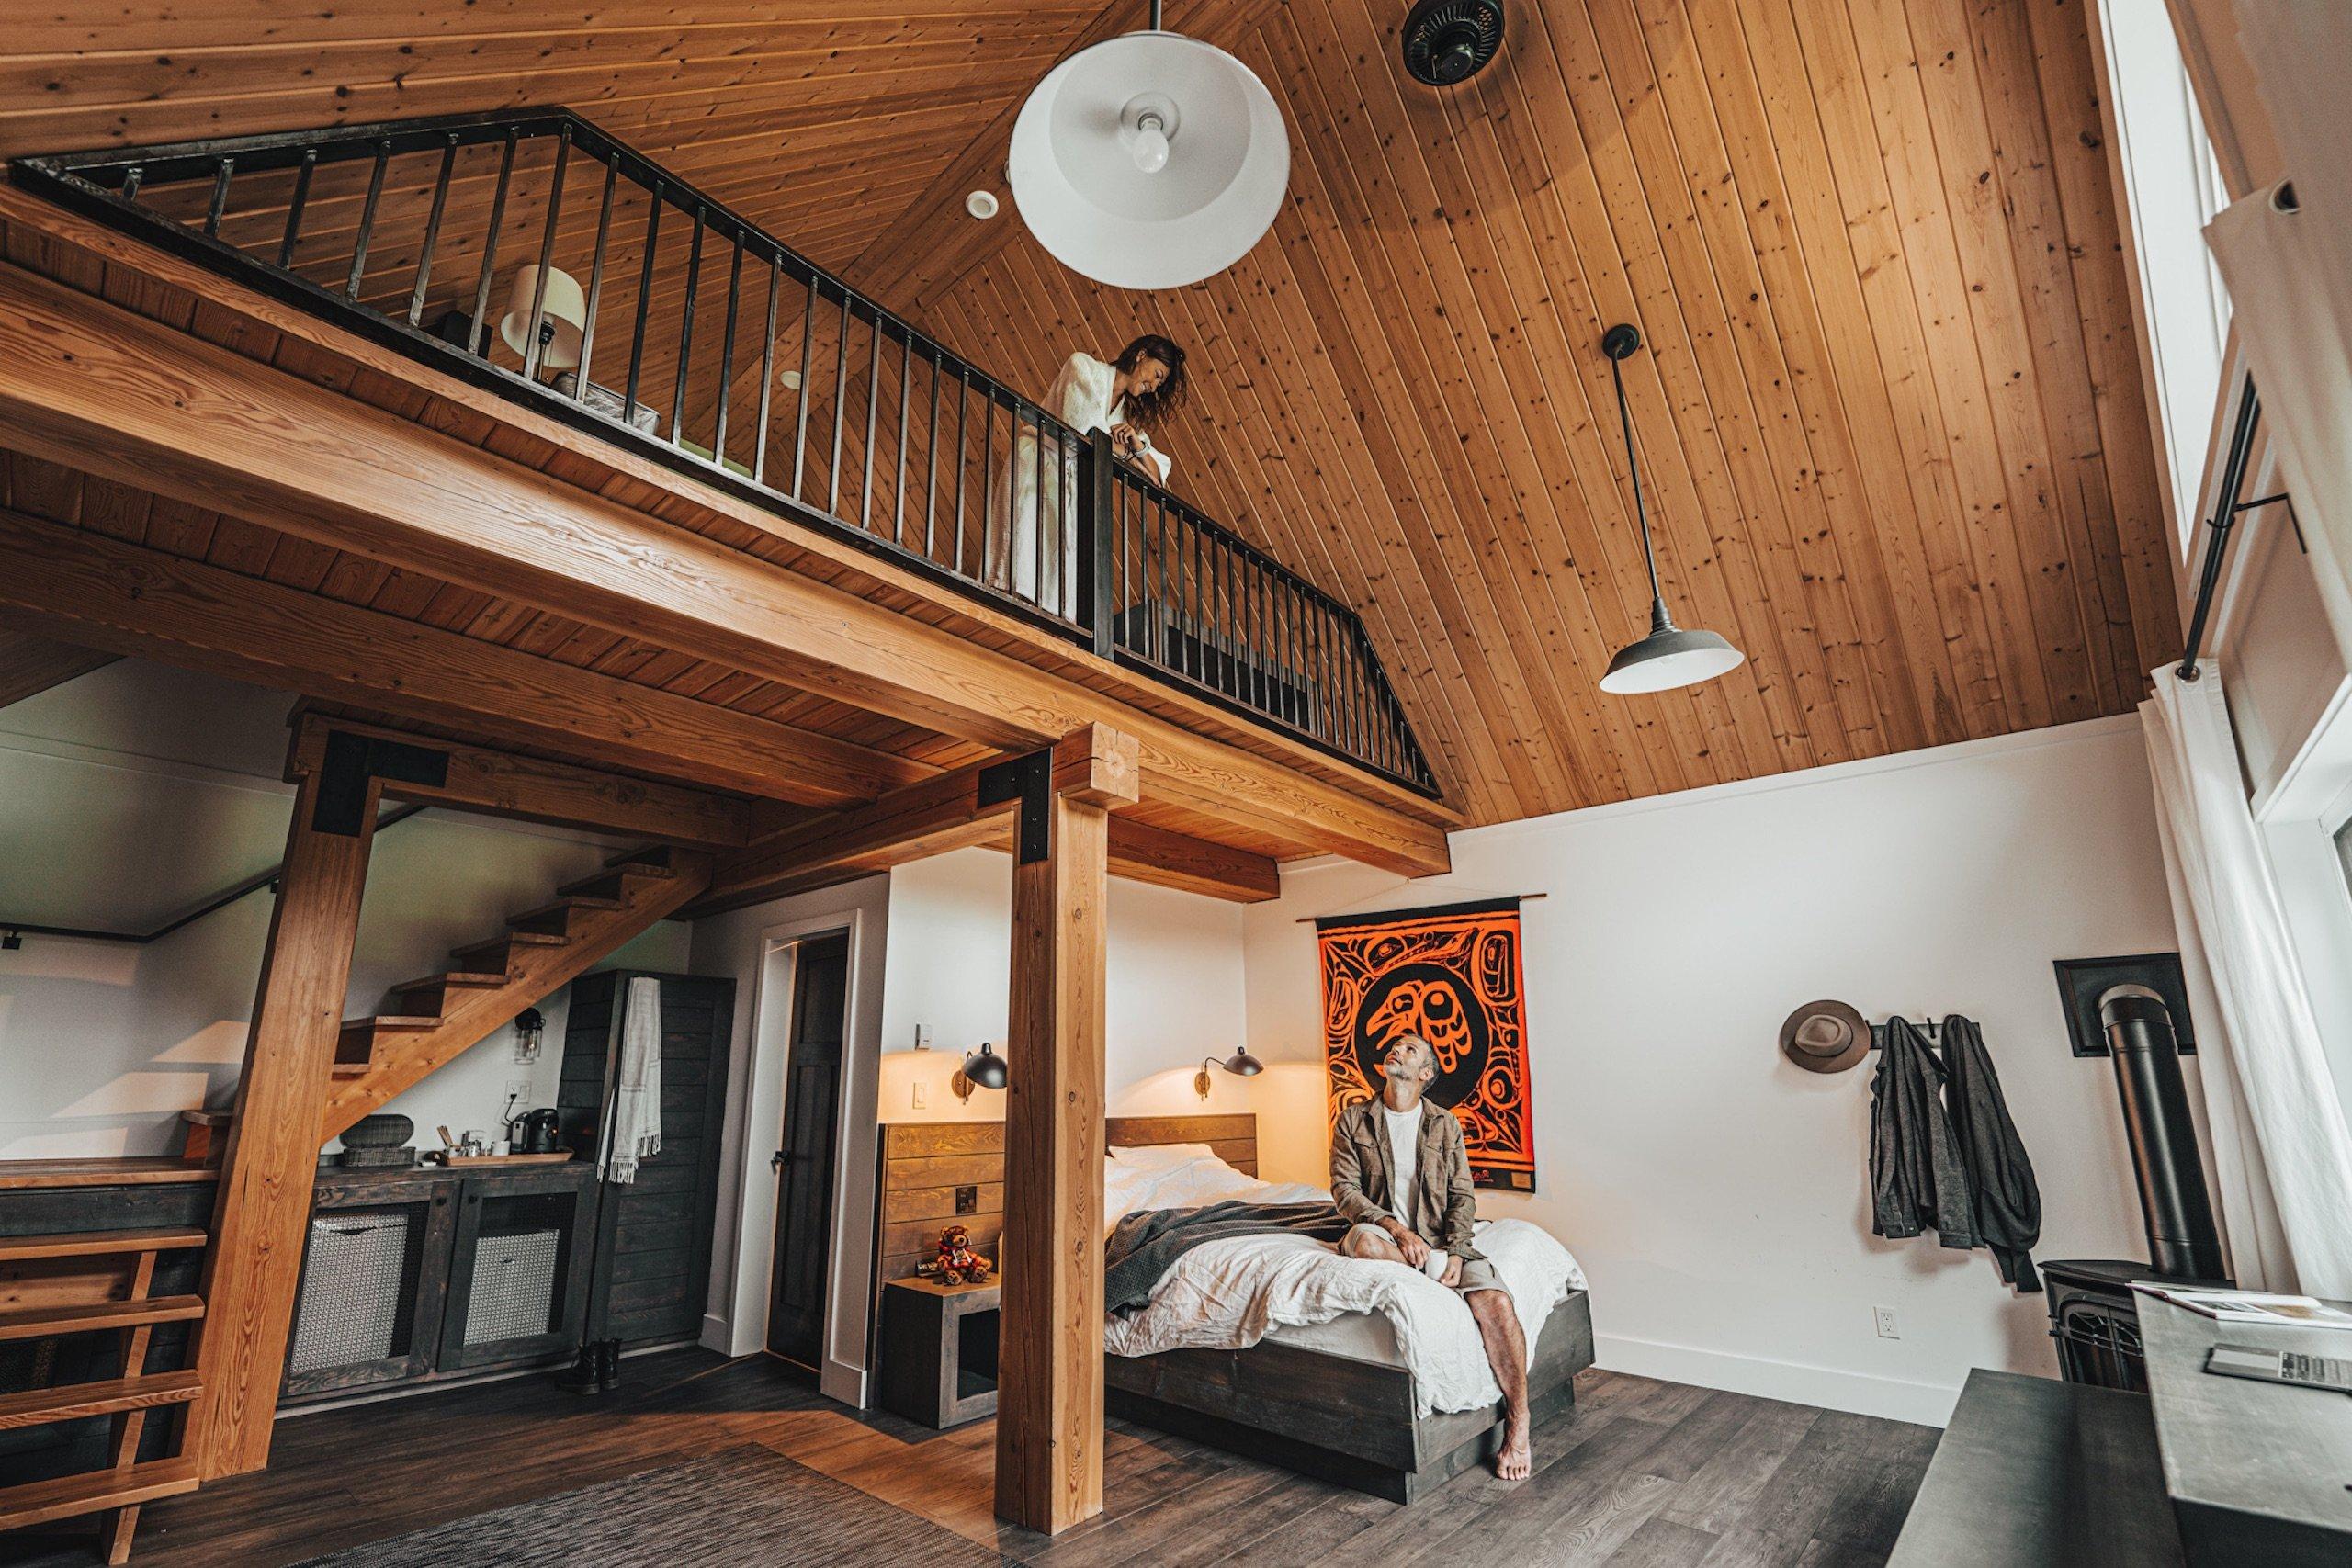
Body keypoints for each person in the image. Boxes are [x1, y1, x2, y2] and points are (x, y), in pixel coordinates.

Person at [1330, 1033, 1534, 1481]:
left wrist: (1458, 1250)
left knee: (1497, 1304)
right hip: (1383, 1233)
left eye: (1409, 1049)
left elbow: (1463, 1195)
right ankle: (1427, 1277)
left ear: (1425, 1075)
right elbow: (1345, 1191)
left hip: (1441, 1240)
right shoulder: (1353, 1120)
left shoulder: (1444, 1124)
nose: (1396, 1050)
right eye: (1395, 1046)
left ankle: (1519, 1423)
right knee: (1362, 1244)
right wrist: (1397, 1230)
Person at [992, 334, 1185, 612]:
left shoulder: (1122, 419)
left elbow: (1157, 477)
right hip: (1038, 467)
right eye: (1156, 375)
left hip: (1069, 484)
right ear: (1141, 354)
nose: (1153, 386)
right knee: (1021, 557)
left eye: (1159, 383)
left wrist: (1136, 446)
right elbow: (1081, 428)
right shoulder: (1083, 367)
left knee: (1056, 569)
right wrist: (1123, 452)